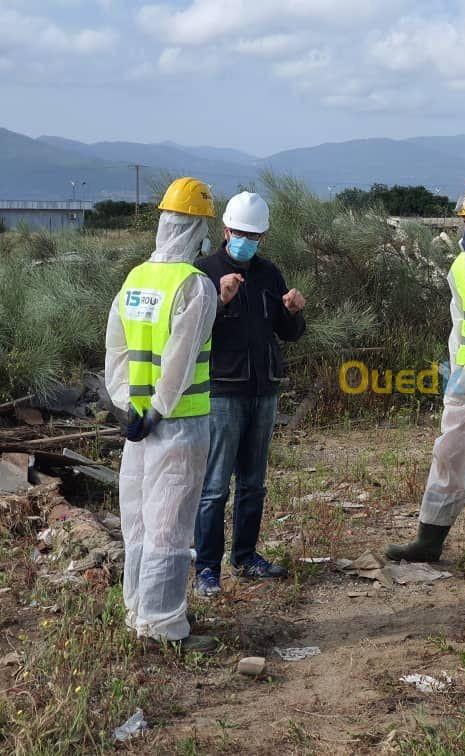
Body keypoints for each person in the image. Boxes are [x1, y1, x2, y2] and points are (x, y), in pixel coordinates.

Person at [104, 177, 219, 651]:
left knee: (138, 520)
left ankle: (137, 610)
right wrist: (157, 411)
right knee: (170, 524)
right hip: (178, 424)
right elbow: (180, 357)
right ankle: (163, 626)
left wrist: (126, 404)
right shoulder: (195, 286)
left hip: (137, 426)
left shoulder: (134, 280)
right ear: (194, 230)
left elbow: (117, 350)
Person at [384, 182, 465, 569]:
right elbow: (459, 322)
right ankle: (428, 539)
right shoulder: (460, 265)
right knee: (448, 453)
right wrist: (454, 369)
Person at [192, 191, 306, 597]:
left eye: (254, 236)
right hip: (223, 392)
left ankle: (244, 557)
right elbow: (193, 334)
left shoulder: (269, 274)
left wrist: (293, 312)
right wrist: (220, 302)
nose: (246, 241)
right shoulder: (203, 272)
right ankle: (206, 568)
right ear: (225, 230)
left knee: (254, 482)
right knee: (214, 486)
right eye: (240, 233)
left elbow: (287, 333)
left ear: (263, 237)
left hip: (264, 390)